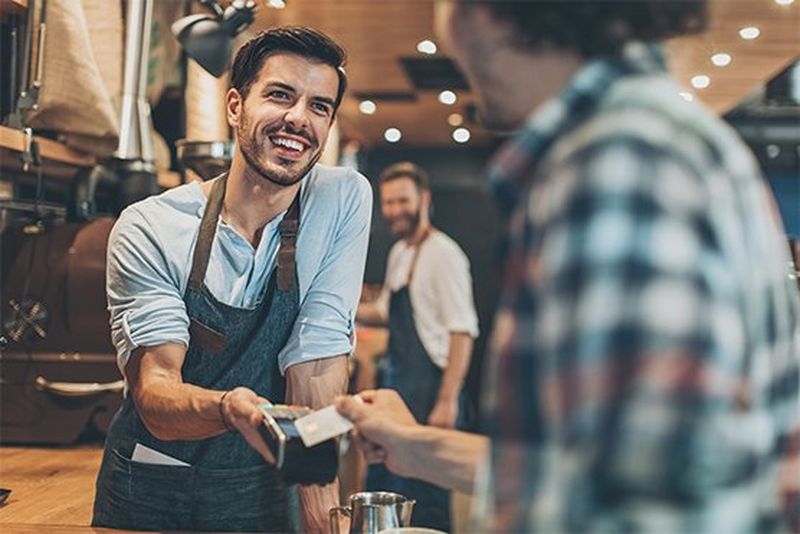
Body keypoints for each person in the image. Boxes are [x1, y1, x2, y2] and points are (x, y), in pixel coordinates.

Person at [336, 1, 800, 532]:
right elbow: (599, 471)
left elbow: (634, 512)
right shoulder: (662, 138)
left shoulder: (617, 164)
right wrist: (418, 448)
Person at [92, 27, 372, 533]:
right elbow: (155, 393)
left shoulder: (341, 199)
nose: (298, 119)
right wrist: (227, 409)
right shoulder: (151, 226)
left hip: (264, 483)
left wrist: (320, 520)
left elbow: (318, 358)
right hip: (155, 487)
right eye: (280, 95)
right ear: (235, 105)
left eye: (319, 106)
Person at [356, 162, 479, 531]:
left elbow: (463, 331)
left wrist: (447, 400)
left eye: (403, 201)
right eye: (389, 202)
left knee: (426, 499)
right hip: (400, 386)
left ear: (424, 199)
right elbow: (384, 312)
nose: (395, 210)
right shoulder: (400, 253)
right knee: (388, 491)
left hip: (431, 393)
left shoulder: (444, 254)